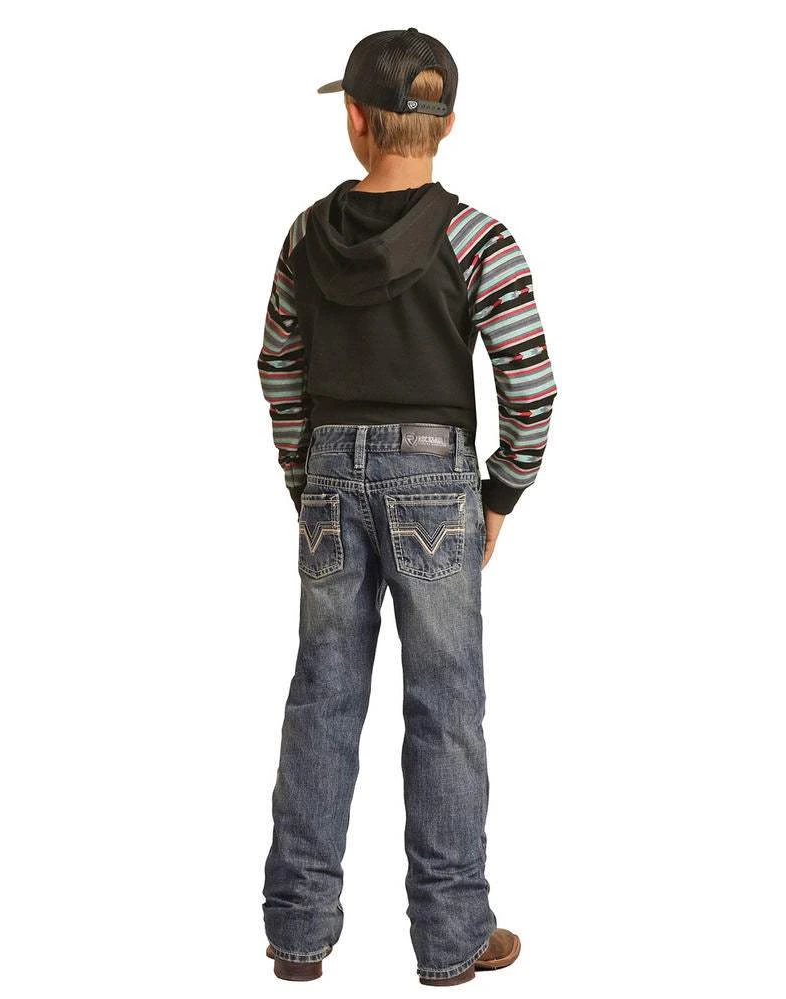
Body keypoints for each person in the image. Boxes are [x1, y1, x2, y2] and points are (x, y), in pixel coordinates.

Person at [258, 27, 558, 986]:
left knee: (322, 698)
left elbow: (278, 366)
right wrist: (500, 492)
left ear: (354, 118)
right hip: (438, 478)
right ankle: (451, 934)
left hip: (329, 475)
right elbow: (530, 384)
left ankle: (297, 930)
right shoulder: (478, 239)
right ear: (448, 123)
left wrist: (307, 479)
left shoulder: (306, 235)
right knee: (445, 707)